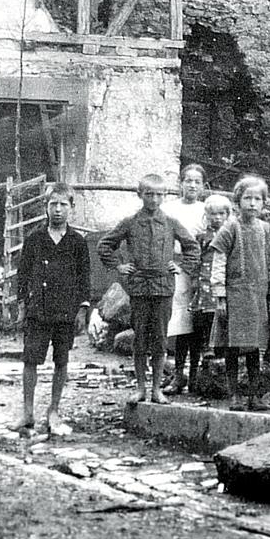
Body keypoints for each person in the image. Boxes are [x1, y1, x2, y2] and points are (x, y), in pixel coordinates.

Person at [98, 174, 200, 405]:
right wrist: (119, 266)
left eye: (159, 194)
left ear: (165, 196)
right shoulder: (130, 222)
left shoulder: (171, 223)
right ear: (140, 194)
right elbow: (105, 245)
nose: (154, 199)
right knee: (140, 339)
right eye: (149, 194)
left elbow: (192, 246)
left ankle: (156, 390)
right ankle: (141, 388)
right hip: (140, 289)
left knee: (160, 339)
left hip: (164, 288)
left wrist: (181, 264)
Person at [13, 183, 91, 431]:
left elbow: (84, 277)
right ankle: (27, 413)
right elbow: (23, 274)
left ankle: (54, 411)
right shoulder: (35, 239)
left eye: (63, 205)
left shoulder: (77, 242)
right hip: (39, 310)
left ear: (71, 208)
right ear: (45, 207)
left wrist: (82, 309)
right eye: (52, 204)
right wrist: (22, 305)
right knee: (31, 359)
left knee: (61, 360)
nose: (57, 210)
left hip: (65, 312)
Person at [209, 175, 270, 410]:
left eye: (257, 199)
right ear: (238, 201)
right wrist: (220, 296)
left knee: (254, 347)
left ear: (264, 203)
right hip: (235, 296)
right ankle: (234, 395)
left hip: (258, 296)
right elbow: (219, 262)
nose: (252, 203)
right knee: (233, 345)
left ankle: (254, 395)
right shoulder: (230, 228)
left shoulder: (267, 230)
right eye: (247, 198)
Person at [161, 164, 207, 395]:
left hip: (200, 272)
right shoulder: (169, 208)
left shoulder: (206, 210)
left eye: (197, 181)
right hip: (176, 268)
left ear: (203, 186)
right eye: (188, 180)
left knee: (198, 324)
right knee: (180, 324)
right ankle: (178, 374)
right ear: (181, 183)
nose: (192, 185)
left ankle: (197, 375)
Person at [186, 194, 232, 394]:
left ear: (227, 215)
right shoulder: (202, 237)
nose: (217, 218)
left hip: (222, 280)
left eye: (221, 214)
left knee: (220, 313)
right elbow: (196, 258)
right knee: (203, 314)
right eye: (213, 214)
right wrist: (194, 279)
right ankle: (207, 346)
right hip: (204, 278)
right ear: (207, 215)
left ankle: (218, 346)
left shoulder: (231, 235)